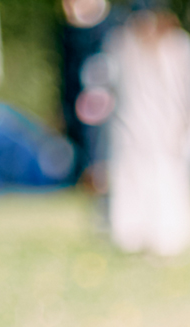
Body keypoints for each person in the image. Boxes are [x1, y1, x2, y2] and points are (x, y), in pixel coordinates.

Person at [104, 0, 190, 256]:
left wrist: (189, 122)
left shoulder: (178, 45)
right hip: (132, 126)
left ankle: (169, 239)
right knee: (132, 177)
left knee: (167, 176)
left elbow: (187, 89)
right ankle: (132, 236)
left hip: (167, 125)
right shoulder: (122, 44)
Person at [58, 0, 119, 191]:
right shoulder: (68, 31)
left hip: (105, 107)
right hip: (78, 110)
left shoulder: (113, 27)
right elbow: (67, 77)